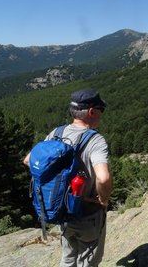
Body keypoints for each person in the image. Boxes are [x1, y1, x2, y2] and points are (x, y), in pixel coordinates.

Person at [23, 88, 112, 266]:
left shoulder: (57, 133)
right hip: (87, 214)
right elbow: (103, 178)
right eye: (100, 111)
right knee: (88, 261)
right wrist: (103, 199)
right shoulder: (95, 140)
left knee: (68, 257)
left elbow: (27, 160)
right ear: (92, 111)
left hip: (61, 212)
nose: (101, 116)